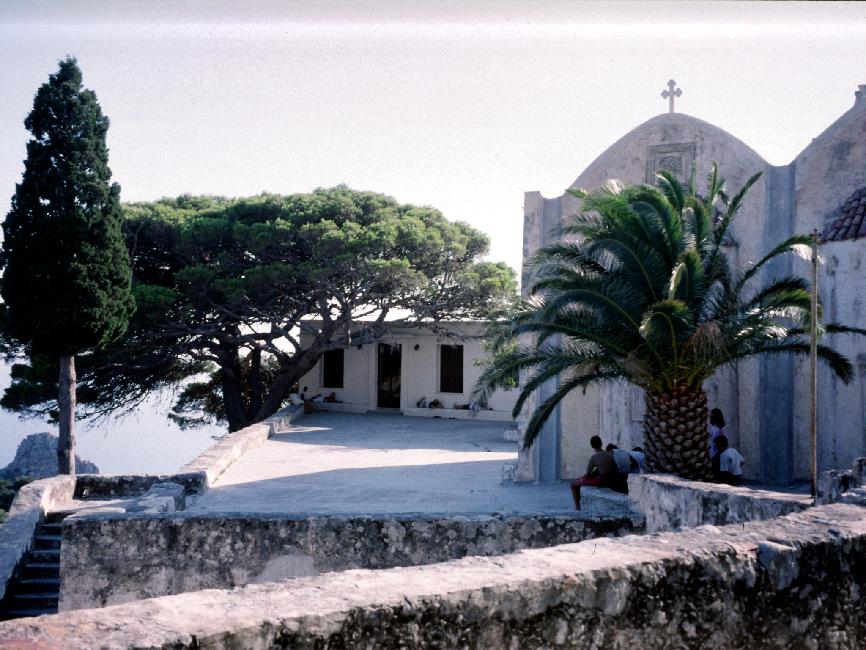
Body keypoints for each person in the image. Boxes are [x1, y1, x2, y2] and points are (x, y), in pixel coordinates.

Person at [570, 436, 618, 510]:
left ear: (592, 446)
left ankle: (577, 508)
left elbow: (588, 474)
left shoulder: (594, 457)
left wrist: (580, 479)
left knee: (573, 484)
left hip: (602, 480)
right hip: (612, 479)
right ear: (601, 443)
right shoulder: (609, 454)